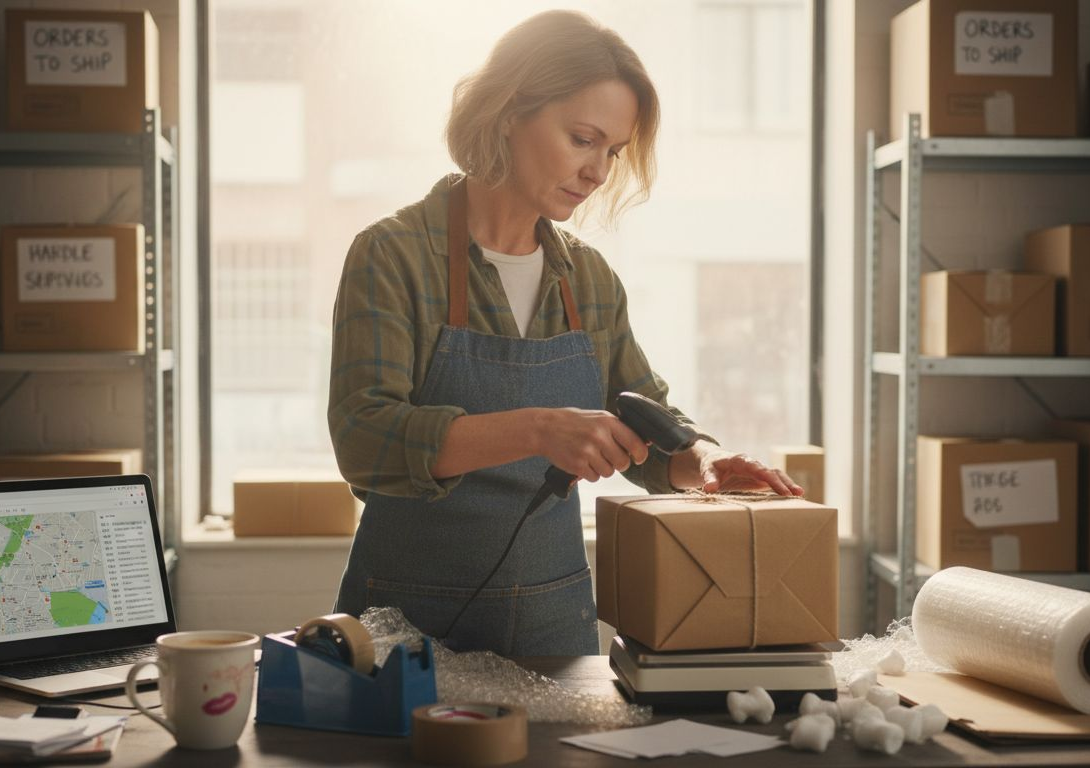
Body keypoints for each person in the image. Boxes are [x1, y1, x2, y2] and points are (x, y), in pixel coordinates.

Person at [328, 10, 802, 656]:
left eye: (613, 151)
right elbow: (364, 441)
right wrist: (537, 430)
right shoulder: (392, 256)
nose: (599, 172)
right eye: (583, 139)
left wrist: (703, 462)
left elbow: (645, 423)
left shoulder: (590, 280)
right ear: (507, 111)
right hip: (402, 634)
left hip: (553, 629)